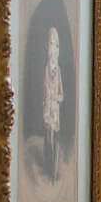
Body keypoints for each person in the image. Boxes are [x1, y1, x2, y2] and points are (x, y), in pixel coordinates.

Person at [41, 25, 63, 182]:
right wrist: (47, 98)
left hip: (55, 108)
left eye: (56, 45)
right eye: (51, 44)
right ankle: (47, 164)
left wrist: (58, 98)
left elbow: (61, 92)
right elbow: (44, 88)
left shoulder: (59, 69)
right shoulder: (46, 68)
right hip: (48, 108)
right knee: (47, 135)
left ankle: (52, 171)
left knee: (53, 136)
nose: (53, 49)